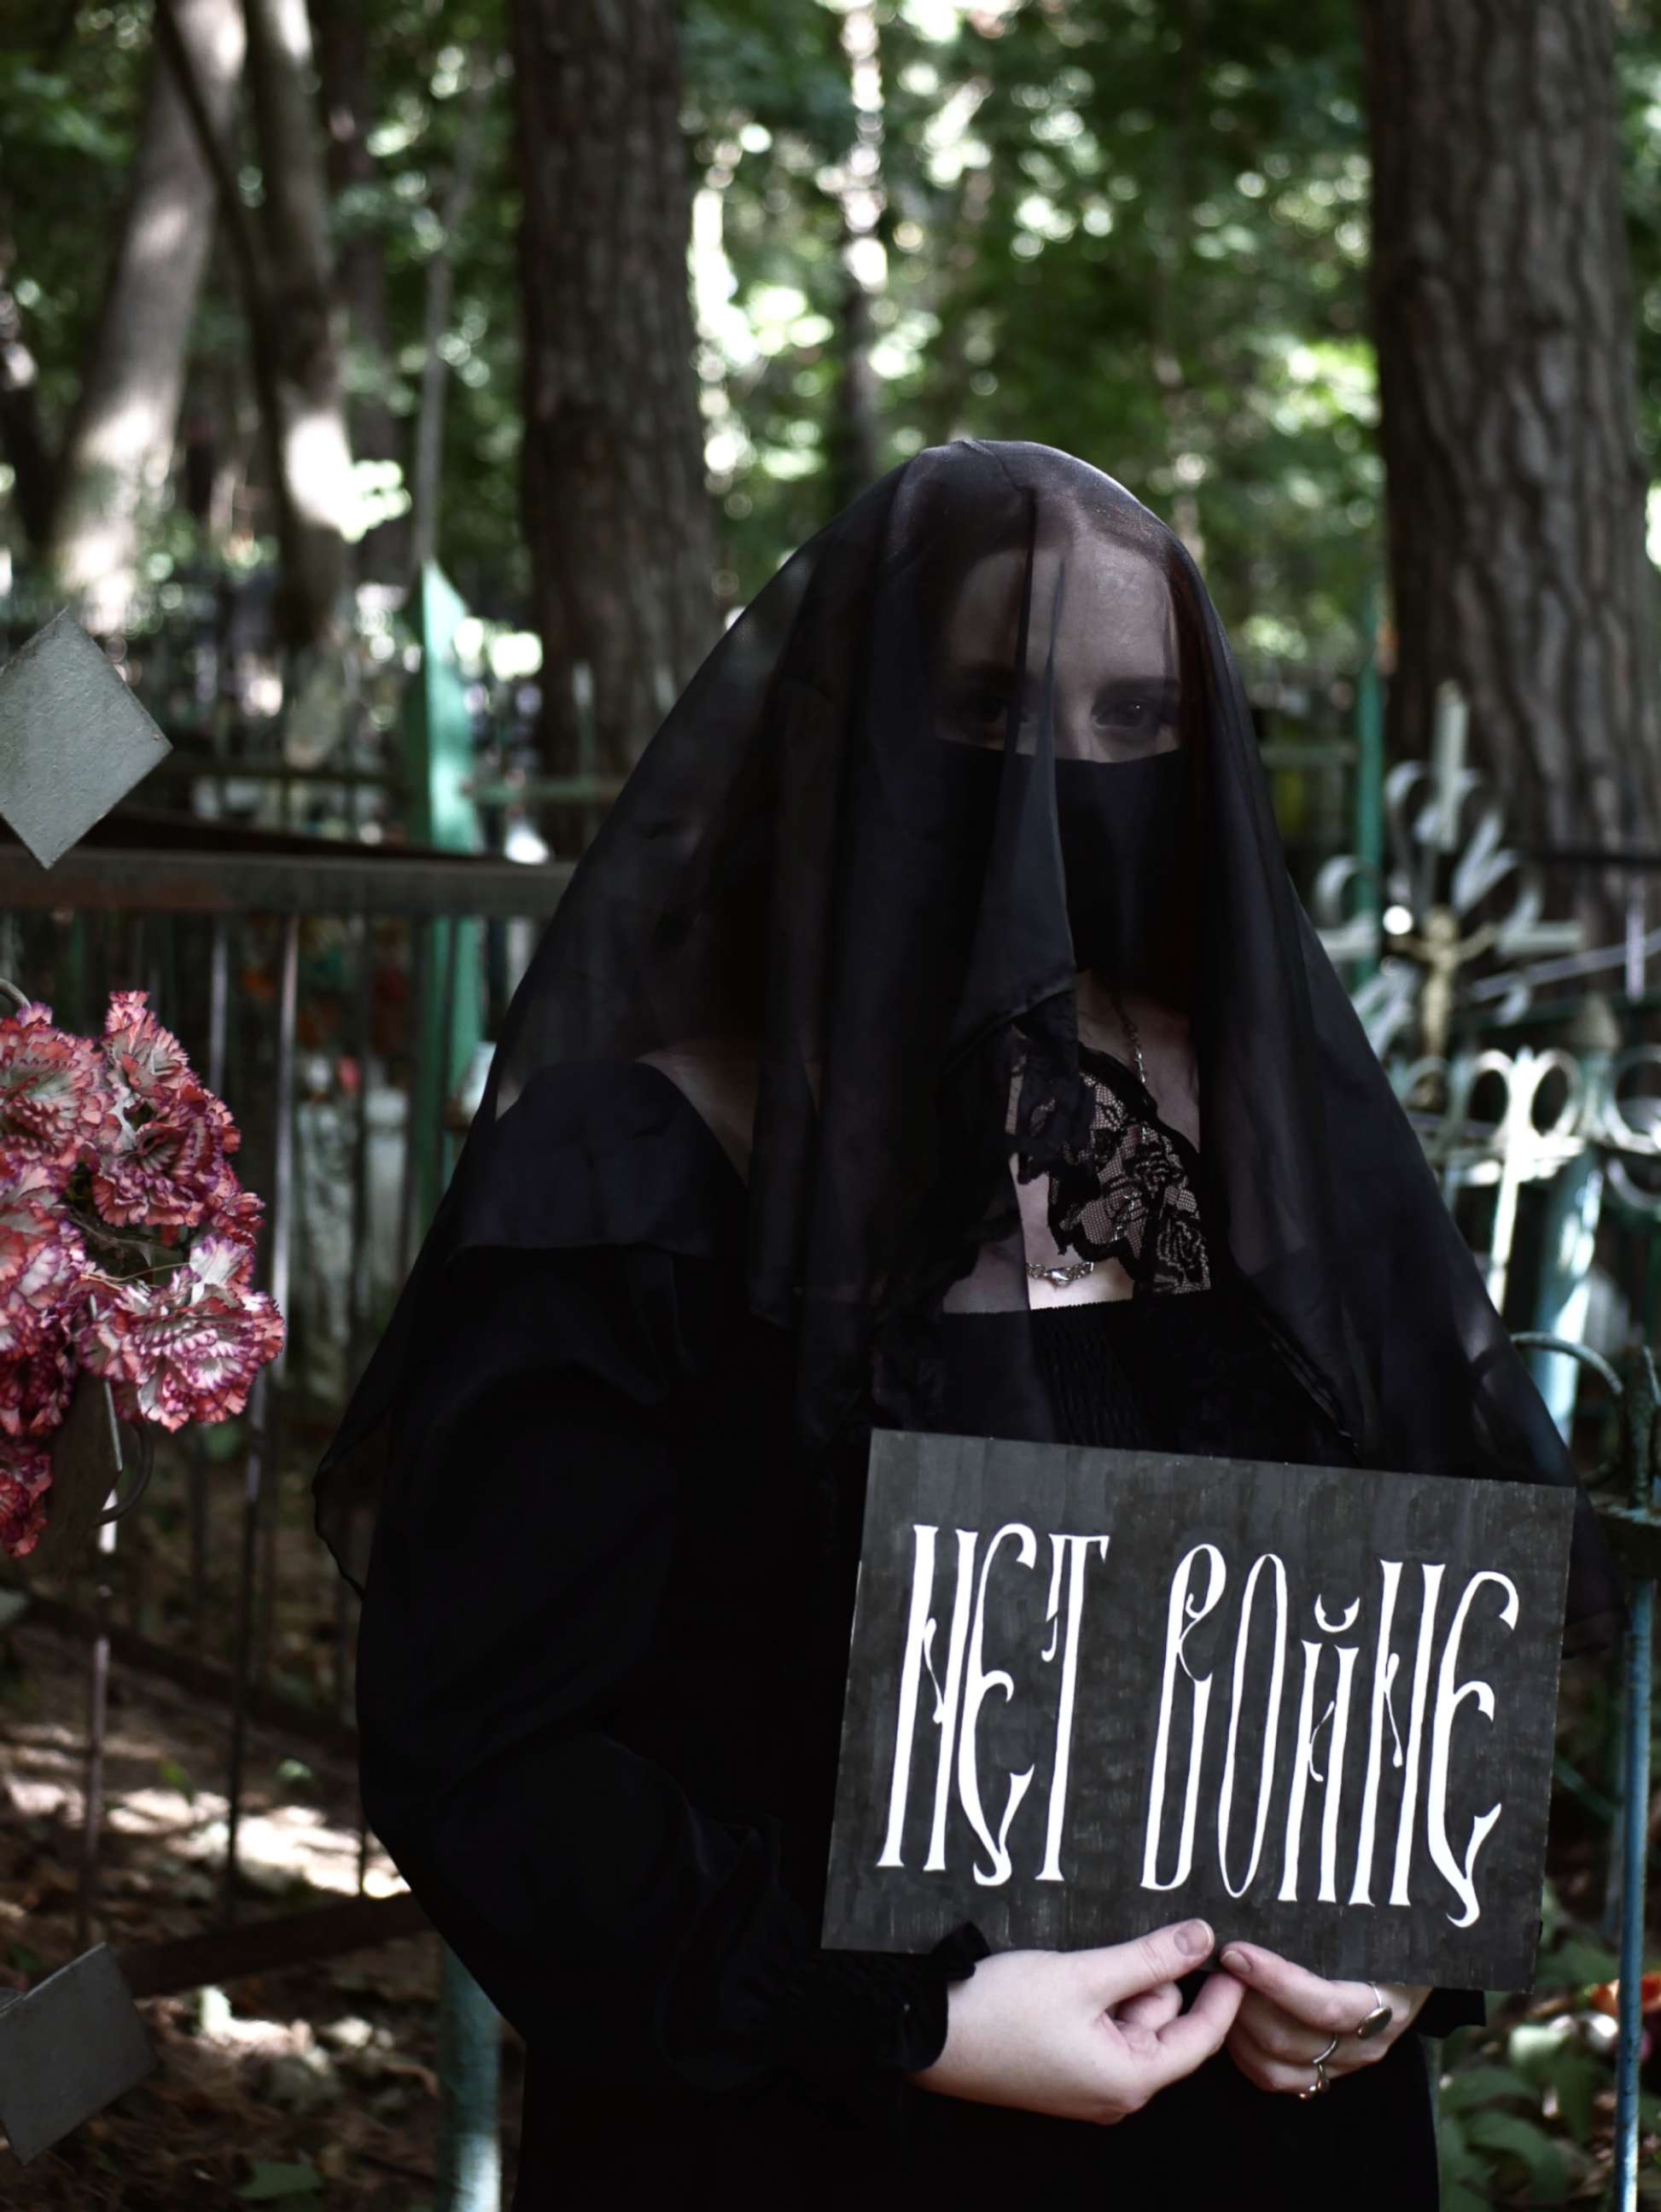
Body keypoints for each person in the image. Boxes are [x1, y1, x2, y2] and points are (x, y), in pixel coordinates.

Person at [313, 439, 1621, 2207]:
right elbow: (488, 1749)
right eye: (991, 710)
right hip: (807, 2141)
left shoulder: (1273, 1134)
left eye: (1136, 721)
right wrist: (906, 2015)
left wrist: (1392, 1967)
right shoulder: (641, 1172)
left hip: (1265, 2136)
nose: (1053, 796)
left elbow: (1408, 1639)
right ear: (857, 724)